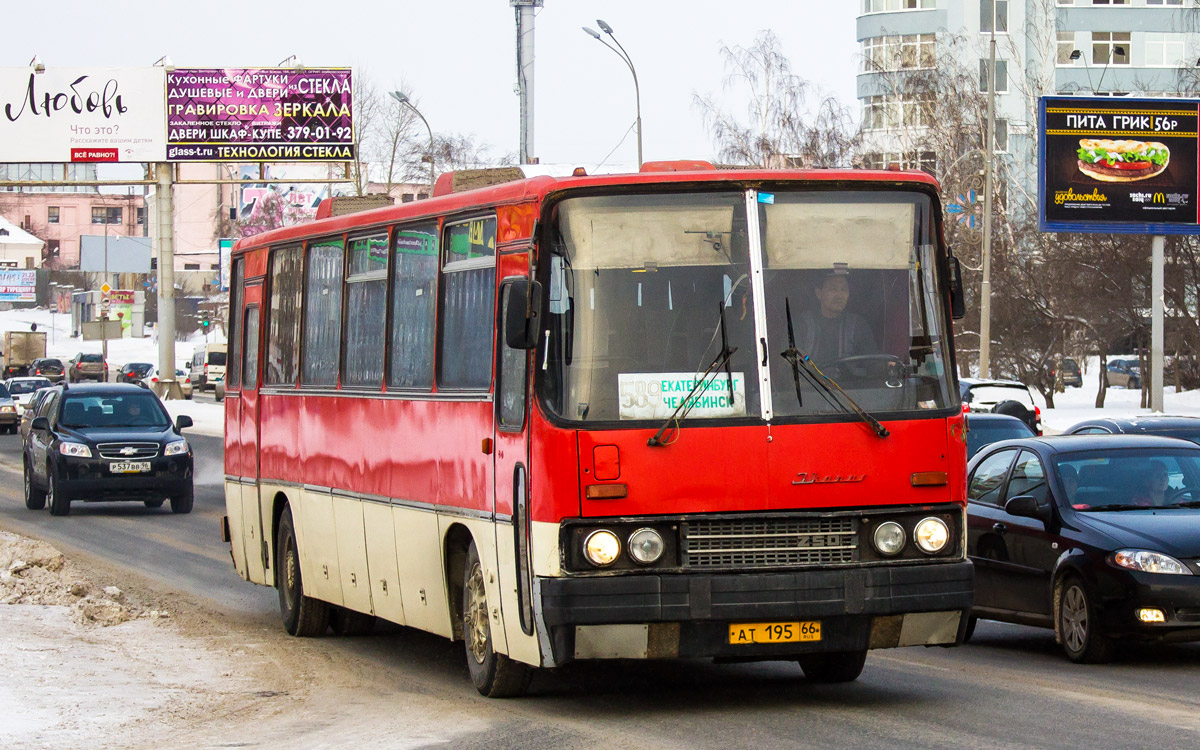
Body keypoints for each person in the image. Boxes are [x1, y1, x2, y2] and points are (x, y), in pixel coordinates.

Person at [796, 267, 876, 366]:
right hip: (811, 381)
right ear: (819, 293)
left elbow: (873, 366)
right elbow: (790, 365)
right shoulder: (802, 324)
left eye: (844, 289)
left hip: (850, 381)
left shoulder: (858, 325)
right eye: (833, 289)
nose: (840, 295)